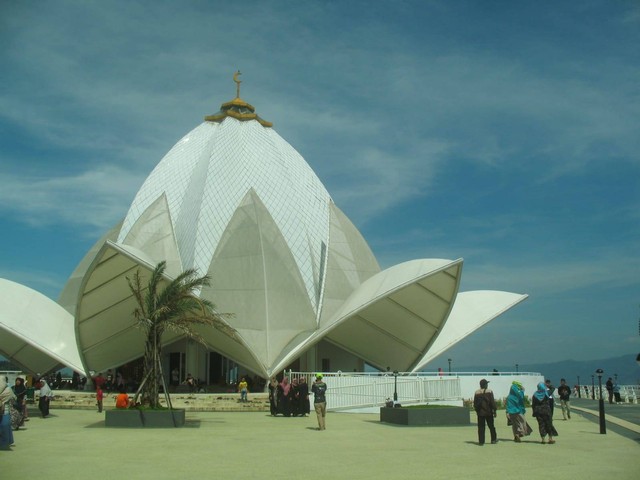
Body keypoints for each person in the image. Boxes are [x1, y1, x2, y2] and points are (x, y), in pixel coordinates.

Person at [473, 379, 497, 445]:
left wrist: (477, 411)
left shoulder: (477, 392)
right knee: (491, 426)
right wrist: (494, 410)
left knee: (481, 428)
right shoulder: (489, 391)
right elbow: (492, 402)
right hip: (489, 412)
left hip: (480, 413)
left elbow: (475, 403)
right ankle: (493, 439)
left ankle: (481, 441)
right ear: (485, 385)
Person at [0, 376, 16, 450]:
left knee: (4, 426)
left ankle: (4, 443)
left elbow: (13, 398)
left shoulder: (8, 389)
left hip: (5, 411)